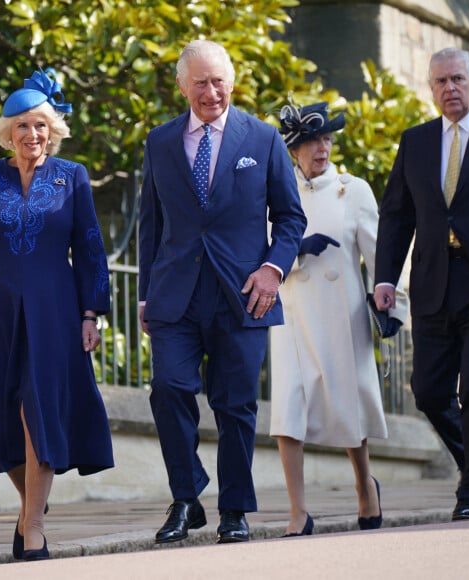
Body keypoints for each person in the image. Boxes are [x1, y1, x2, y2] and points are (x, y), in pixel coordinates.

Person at [138, 40, 306, 544]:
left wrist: (273, 270)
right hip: (175, 294)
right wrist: (146, 294)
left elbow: (291, 218)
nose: (211, 92)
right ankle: (187, 499)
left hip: (244, 293)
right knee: (168, 390)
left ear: (231, 82)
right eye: (200, 83)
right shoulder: (160, 142)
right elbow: (152, 222)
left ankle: (234, 508)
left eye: (218, 81)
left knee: (235, 405)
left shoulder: (264, 138)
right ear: (182, 86)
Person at [0, 68, 114, 560]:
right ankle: (29, 513)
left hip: (55, 311)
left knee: (37, 410)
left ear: (54, 130)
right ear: (7, 132)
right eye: (22, 126)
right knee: (4, 418)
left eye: (41, 125)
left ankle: (35, 527)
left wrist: (93, 312)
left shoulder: (73, 177)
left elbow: (90, 247)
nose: (33, 134)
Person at [374, 47, 469, 521]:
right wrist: (384, 276)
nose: (450, 89)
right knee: (427, 391)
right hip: (432, 282)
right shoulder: (416, 141)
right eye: (440, 82)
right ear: (431, 89)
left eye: (457, 79)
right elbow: (397, 215)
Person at [269, 102, 409, 536]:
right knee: (288, 411)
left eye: (327, 139)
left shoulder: (355, 190)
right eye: (312, 141)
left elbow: (381, 255)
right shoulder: (274, 190)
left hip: (341, 313)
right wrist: (293, 250)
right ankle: (298, 512)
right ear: (294, 148)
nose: (321, 148)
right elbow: (257, 249)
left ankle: (365, 485)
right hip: (291, 310)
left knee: (348, 406)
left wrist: (394, 306)